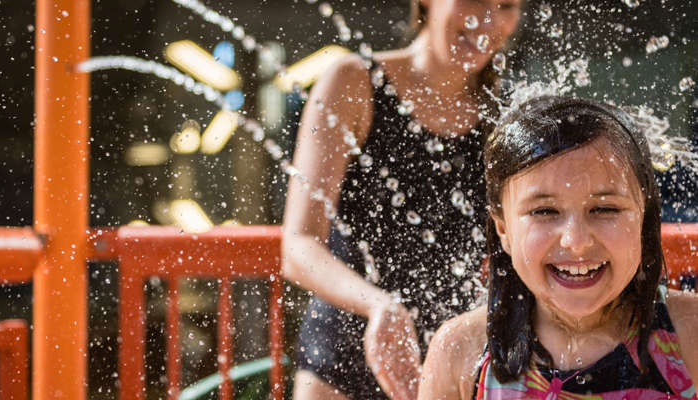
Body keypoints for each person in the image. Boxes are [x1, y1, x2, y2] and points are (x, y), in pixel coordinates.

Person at [281, 0, 522, 398]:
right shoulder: (353, 81)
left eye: (507, 5)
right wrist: (381, 306)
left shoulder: (509, 109)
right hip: (342, 361)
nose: (490, 19)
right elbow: (298, 246)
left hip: (457, 369)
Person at [418, 96, 698, 399]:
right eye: (544, 212)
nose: (576, 241)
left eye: (605, 209)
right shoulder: (461, 352)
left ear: (644, 219)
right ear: (503, 230)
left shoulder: (690, 335)